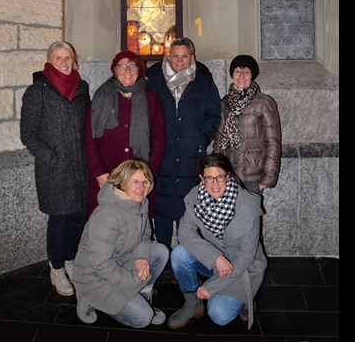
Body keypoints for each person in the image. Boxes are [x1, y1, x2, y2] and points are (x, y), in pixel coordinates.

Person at [20, 41, 90, 297]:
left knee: (77, 218)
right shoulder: (37, 91)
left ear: (74, 61)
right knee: (59, 219)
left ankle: (70, 260)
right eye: (58, 58)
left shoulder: (82, 87)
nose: (64, 62)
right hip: (54, 169)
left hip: (80, 168)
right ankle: (57, 268)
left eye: (68, 57)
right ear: (49, 61)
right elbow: (28, 134)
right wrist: (51, 157)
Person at [167, 153, 267, 330]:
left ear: (228, 176)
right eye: (209, 178)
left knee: (219, 315)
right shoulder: (196, 197)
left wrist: (212, 286)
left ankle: (246, 298)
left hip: (242, 268)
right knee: (179, 254)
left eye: (219, 177)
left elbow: (246, 256)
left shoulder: (248, 204)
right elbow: (184, 232)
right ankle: (193, 304)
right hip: (214, 262)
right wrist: (215, 257)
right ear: (201, 178)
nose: (214, 184)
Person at [72, 158, 169, 328]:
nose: (141, 188)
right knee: (144, 318)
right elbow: (101, 264)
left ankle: (137, 295)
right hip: (94, 276)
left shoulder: (141, 202)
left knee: (160, 251)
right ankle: (89, 299)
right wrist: (132, 280)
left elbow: (146, 233)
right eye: (135, 182)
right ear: (123, 182)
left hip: (123, 258)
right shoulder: (107, 215)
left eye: (146, 182)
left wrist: (140, 256)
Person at [146, 37, 222, 248]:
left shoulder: (203, 81)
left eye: (184, 56)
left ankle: (184, 255)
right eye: (175, 56)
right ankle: (162, 253)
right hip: (162, 152)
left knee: (187, 206)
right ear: (168, 57)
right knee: (161, 205)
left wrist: (201, 140)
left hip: (191, 154)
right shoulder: (153, 79)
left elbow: (214, 114)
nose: (179, 61)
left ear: (192, 57)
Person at [84, 50, 166, 220]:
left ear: (140, 69)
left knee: (137, 225)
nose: (127, 70)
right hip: (108, 175)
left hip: (139, 178)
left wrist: (148, 174)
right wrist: (100, 173)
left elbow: (159, 139)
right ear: (115, 70)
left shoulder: (151, 100)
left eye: (132, 65)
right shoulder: (100, 97)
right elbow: (89, 138)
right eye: (122, 65)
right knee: (107, 224)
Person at [213, 54, 281, 195]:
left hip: (252, 174)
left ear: (252, 75)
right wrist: (215, 168)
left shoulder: (264, 102)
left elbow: (272, 142)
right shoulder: (226, 102)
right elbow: (220, 138)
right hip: (228, 172)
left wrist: (268, 177)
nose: (241, 76)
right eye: (237, 71)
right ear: (232, 74)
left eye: (246, 72)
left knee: (251, 215)